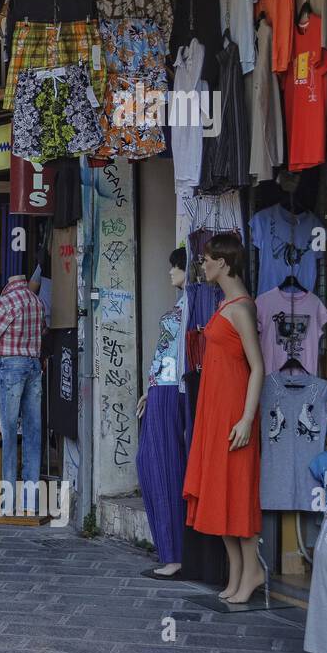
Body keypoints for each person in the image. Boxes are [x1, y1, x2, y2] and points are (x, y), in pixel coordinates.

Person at [182, 233, 265, 604]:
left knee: (238, 492)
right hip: (215, 410)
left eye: (208, 258)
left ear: (225, 263)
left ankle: (253, 572)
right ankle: (236, 574)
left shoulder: (242, 308)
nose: (203, 263)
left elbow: (258, 367)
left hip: (234, 412)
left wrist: (247, 419)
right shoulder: (224, 303)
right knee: (220, 491)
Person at [135, 248, 191, 578]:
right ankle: (168, 550)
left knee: (165, 466)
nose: (171, 272)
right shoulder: (182, 304)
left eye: (177, 267)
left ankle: (175, 555)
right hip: (161, 388)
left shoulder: (194, 306)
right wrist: (150, 389)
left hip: (173, 391)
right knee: (150, 463)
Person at [0, 271, 46, 513]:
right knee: (33, 431)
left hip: (11, 364)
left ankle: (8, 502)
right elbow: (42, 331)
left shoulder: (3, 302)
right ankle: (31, 501)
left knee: (9, 431)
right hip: (33, 364)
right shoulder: (37, 301)